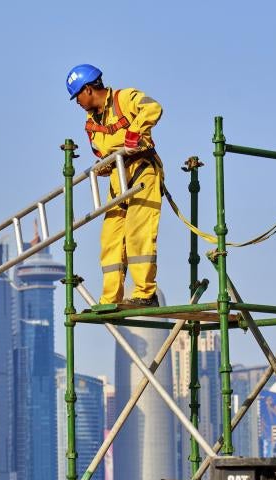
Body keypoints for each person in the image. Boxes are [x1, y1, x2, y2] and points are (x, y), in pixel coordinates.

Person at [66, 64, 165, 307]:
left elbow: (153, 108)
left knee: (137, 231)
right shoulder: (90, 124)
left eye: (77, 95)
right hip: (117, 177)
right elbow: (103, 152)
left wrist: (134, 131)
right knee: (111, 237)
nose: (77, 102)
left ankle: (145, 294)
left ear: (88, 89)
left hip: (142, 169)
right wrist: (104, 167)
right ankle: (111, 298)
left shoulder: (125, 98)